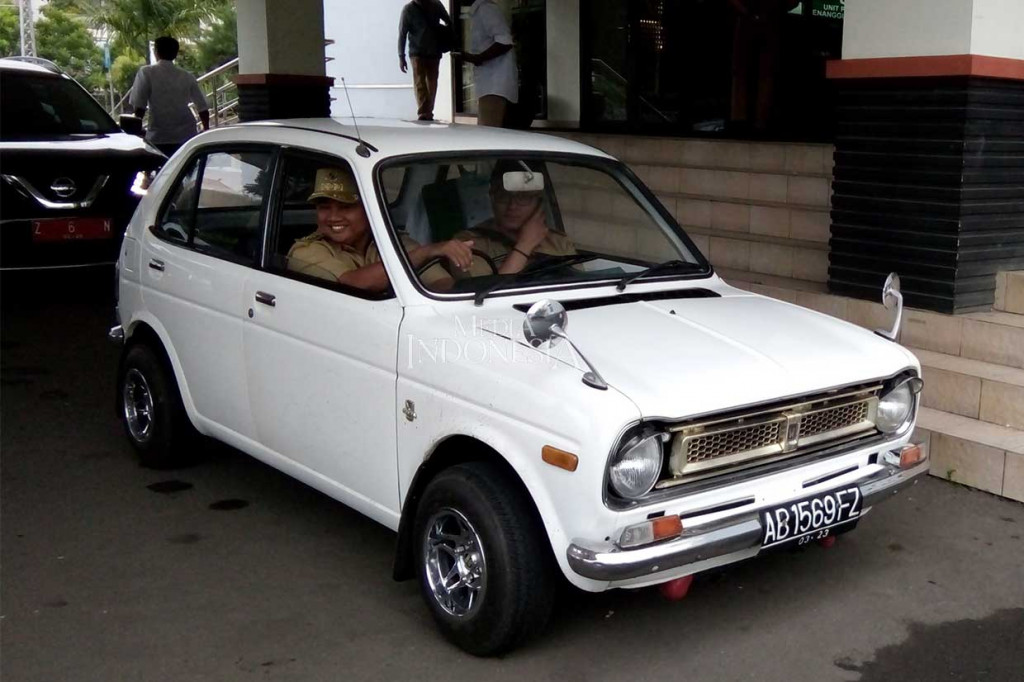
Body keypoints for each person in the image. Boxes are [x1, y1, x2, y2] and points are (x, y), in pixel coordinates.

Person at [288, 167, 474, 293]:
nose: (333, 217)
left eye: (346, 207)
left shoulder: (394, 242)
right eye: (324, 207)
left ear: (369, 208)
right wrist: (427, 251)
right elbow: (354, 285)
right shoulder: (305, 251)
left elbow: (440, 282)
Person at [454, 161, 575, 277]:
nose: (512, 206)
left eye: (524, 197)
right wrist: (525, 245)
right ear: (492, 198)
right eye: (503, 196)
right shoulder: (468, 244)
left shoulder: (558, 242)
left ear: (538, 203)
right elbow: (491, 296)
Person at [129, 36, 210, 157]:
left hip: (158, 137)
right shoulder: (187, 76)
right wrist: (206, 129)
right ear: (176, 54)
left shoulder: (146, 73)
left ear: (156, 52)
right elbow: (202, 107)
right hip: (186, 136)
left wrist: (136, 132)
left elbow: (139, 106)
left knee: (159, 172)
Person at [462, 0, 517, 127]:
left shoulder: (486, 9)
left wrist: (478, 58)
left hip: (494, 85)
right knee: (486, 130)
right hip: (489, 84)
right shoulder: (478, 11)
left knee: (489, 132)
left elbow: (505, 42)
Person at [398, 0, 454, 121]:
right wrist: (401, 56)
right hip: (417, 52)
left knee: (431, 83)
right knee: (421, 82)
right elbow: (402, 34)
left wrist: (443, 33)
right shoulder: (408, 9)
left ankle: (428, 110)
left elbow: (449, 22)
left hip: (433, 51)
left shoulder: (436, 5)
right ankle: (424, 112)